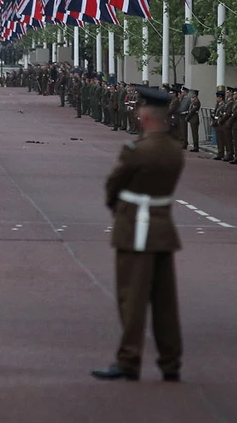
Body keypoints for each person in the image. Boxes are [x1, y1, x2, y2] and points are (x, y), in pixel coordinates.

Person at [92, 86, 184, 382]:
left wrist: (115, 208)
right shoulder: (174, 151)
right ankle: (171, 361)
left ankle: (129, 358)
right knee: (165, 302)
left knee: (131, 298)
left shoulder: (137, 151)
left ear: (145, 115)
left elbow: (114, 185)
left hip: (135, 229)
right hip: (163, 228)